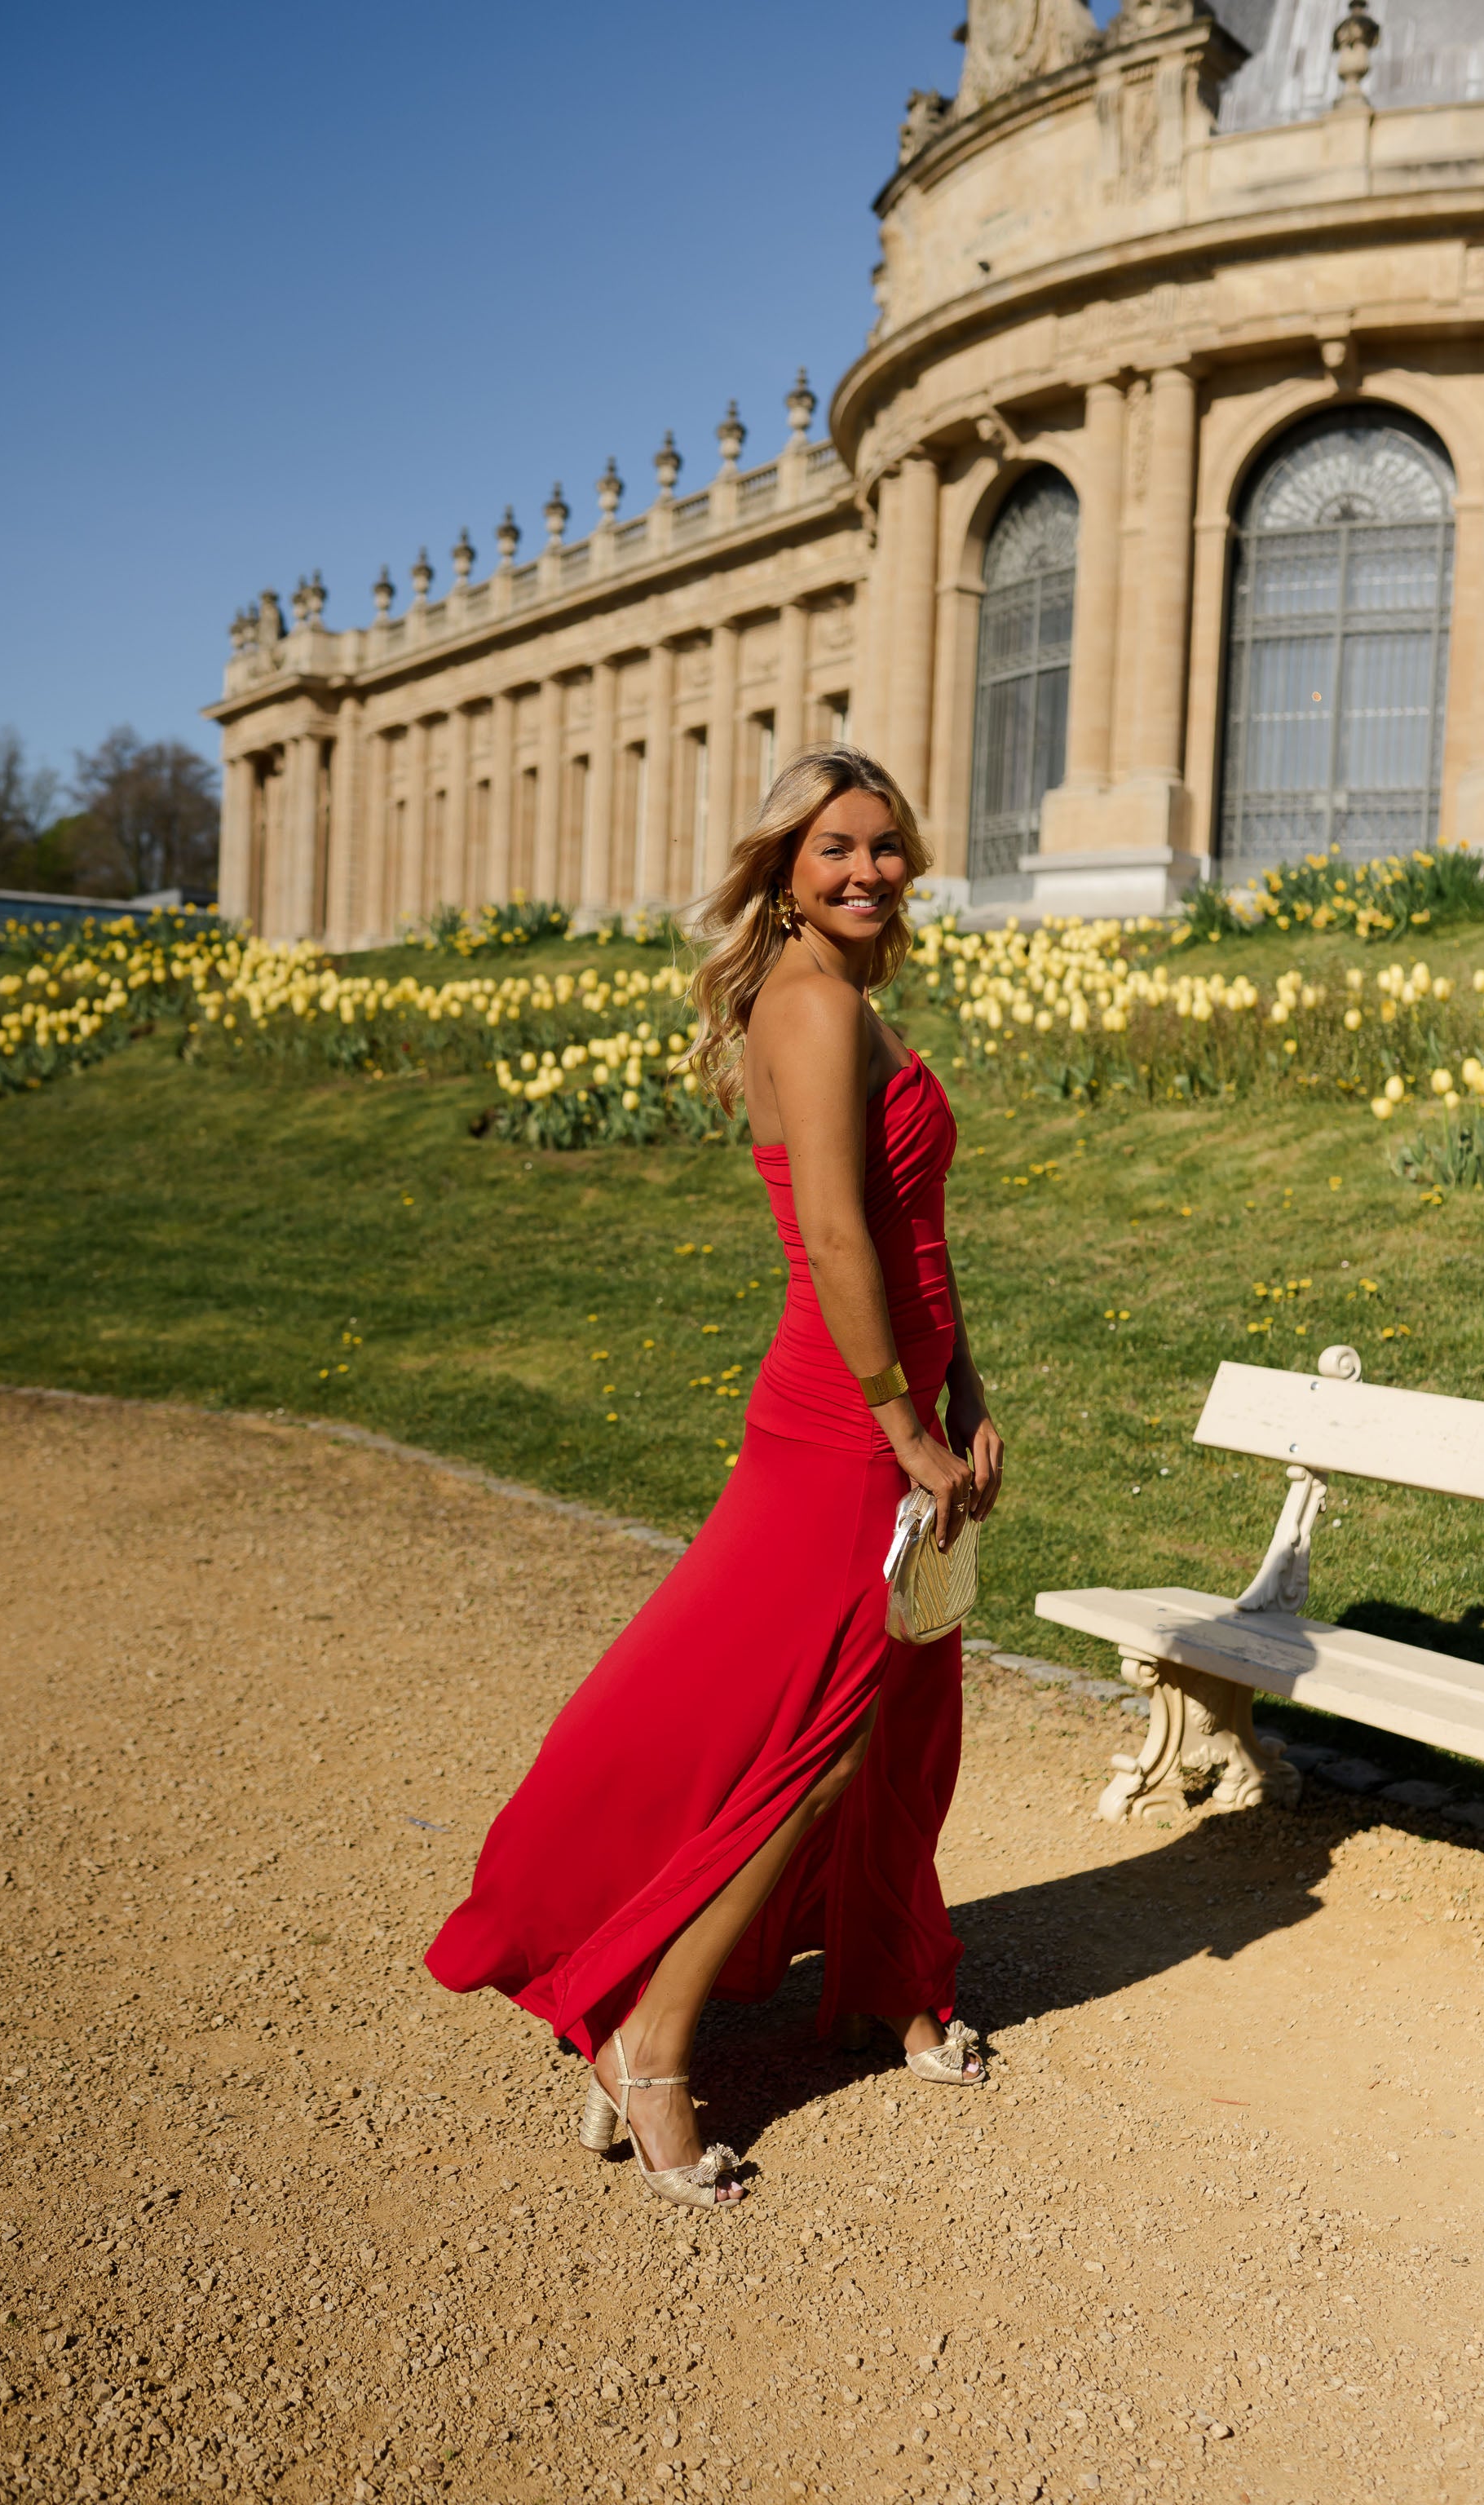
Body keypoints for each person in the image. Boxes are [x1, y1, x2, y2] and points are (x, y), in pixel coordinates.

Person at [426, 746, 1005, 2207]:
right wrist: (902, 1425)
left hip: (892, 1402)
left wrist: (966, 1388)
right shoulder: (809, 1007)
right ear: (785, 871)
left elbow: (914, 1228)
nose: (867, 869)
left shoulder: (851, 999)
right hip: (837, 1421)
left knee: (890, 1711)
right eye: (835, 850)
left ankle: (886, 1981)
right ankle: (653, 2034)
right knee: (817, 1734)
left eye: (885, 846)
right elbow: (834, 1234)